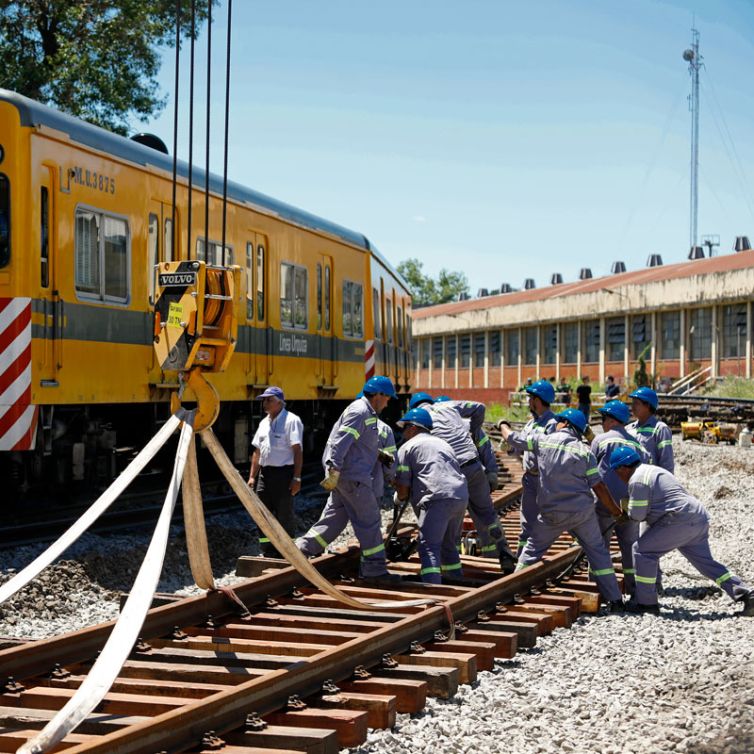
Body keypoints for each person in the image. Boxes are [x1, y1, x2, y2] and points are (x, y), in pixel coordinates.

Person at [499, 408, 624, 610]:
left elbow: (514, 439)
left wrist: (503, 425)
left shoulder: (543, 440)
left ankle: (512, 591)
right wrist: (616, 512)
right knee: (599, 554)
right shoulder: (584, 451)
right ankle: (616, 600)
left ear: (564, 423)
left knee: (531, 551)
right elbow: (598, 486)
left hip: (551, 514)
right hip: (582, 514)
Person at [609, 446, 754, 616]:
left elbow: (638, 515)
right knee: (706, 564)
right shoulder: (652, 470)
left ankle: (646, 604)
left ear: (622, 468)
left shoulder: (637, 480)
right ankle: (747, 595)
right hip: (696, 517)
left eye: (616, 472)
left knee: (641, 551)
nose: (618, 477)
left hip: (679, 520)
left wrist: (625, 513)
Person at [296, 376, 399, 582]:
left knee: (334, 519)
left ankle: (300, 551)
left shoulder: (365, 412)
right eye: (387, 398)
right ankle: (374, 570)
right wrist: (334, 467)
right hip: (354, 478)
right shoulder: (360, 411)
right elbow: (341, 441)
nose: (388, 402)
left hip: (348, 477)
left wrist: (376, 454)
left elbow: (356, 443)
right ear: (378, 395)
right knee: (369, 521)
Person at [409, 393, 517, 573]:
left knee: (450, 517)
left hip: (450, 472)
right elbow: (480, 411)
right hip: (474, 467)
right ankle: (501, 553)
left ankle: (453, 563)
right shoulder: (452, 412)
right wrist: (490, 471)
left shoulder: (421, 421)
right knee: (487, 515)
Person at [394, 408, 468, 583]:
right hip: (459, 497)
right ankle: (455, 581)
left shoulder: (407, 447)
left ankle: (433, 588)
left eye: (405, 428)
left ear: (413, 427)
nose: (403, 433)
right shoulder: (443, 444)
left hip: (437, 499)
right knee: (448, 545)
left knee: (429, 546)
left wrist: (399, 496)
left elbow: (403, 488)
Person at [590, 400, 650, 596]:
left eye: (603, 419)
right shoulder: (637, 444)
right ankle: (634, 590)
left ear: (610, 420)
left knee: (600, 549)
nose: (602, 423)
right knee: (630, 548)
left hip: (604, 505)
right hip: (630, 505)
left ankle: (599, 589)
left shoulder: (601, 440)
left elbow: (590, 469)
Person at [497, 379, 558, 557]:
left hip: (545, 479)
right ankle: (522, 558)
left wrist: (508, 433)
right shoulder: (531, 424)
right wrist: (510, 448)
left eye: (530, 398)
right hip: (530, 479)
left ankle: (536, 556)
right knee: (527, 523)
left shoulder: (552, 424)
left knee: (549, 521)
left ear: (538, 400)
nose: (528, 402)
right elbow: (519, 448)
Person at [247, 386, 303, 558]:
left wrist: (297, 478)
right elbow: (257, 452)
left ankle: (288, 552)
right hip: (265, 474)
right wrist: (251, 477)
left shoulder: (292, 421)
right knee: (262, 513)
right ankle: (268, 550)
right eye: (264, 400)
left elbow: (297, 451)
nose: (265, 403)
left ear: (280, 402)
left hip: (283, 474)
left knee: (284, 513)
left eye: (269, 400)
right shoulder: (264, 423)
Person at [626, 387, 674, 472]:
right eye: (632, 403)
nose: (632, 407)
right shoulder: (628, 429)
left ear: (647, 405)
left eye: (636, 403)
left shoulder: (660, 429)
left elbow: (667, 463)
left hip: (650, 483)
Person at [373, 417, 397, 506]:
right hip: (372, 485)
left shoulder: (347, 423)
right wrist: (390, 478)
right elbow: (390, 463)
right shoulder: (384, 428)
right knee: (370, 518)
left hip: (343, 483)